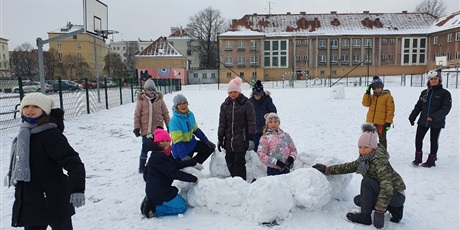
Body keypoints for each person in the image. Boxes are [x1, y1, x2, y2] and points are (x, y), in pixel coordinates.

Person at [6, 92, 86, 229]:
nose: (30, 110)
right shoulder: (24, 134)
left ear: (45, 111)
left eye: (36, 106)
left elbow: (74, 163)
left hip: (54, 199)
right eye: (26, 106)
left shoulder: (50, 136)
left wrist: (77, 189)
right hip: (30, 201)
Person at [312, 123, 406, 229]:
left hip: (396, 195)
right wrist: (327, 169)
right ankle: (395, 210)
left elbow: (387, 186)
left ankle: (365, 217)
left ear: (374, 147)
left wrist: (380, 210)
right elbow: (349, 167)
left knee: (367, 181)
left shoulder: (380, 161)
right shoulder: (365, 159)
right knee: (360, 200)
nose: (362, 150)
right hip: (387, 194)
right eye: (360, 147)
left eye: (366, 147)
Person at [141, 128, 198, 218]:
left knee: (178, 199)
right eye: (162, 141)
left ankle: (153, 200)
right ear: (157, 142)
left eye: (167, 140)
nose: (165, 143)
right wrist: (194, 178)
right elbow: (174, 173)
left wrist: (192, 162)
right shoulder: (158, 157)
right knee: (182, 208)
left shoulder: (165, 152)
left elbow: (176, 164)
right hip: (158, 191)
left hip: (162, 188)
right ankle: (154, 209)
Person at [409, 69, 452, 167]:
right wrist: (413, 116)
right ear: (428, 80)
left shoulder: (445, 93)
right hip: (423, 120)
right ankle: (418, 158)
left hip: (437, 121)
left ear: (439, 80)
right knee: (418, 138)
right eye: (431, 79)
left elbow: (446, 108)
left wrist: (434, 117)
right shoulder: (425, 92)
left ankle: (431, 160)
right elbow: (419, 106)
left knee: (433, 140)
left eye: (435, 79)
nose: (433, 81)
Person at [217, 77, 256, 181]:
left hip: (242, 139)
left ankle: (241, 183)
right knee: (229, 161)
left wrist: (250, 138)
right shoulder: (225, 105)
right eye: (230, 92)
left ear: (239, 91)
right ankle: (235, 182)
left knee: (239, 162)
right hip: (229, 140)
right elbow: (222, 123)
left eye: (235, 91)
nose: (233, 94)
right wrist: (220, 138)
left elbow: (251, 122)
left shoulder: (247, 104)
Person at [133, 79, 170, 173]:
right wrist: (136, 128)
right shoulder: (141, 100)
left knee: (159, 148)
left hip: (158, 131)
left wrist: (169, 125)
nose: (151, 92)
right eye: (148, 90)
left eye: (152, 90)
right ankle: (142, 167)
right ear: (145, 91)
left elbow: (165, 113)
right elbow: (137, 115)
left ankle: (157, 165)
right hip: (146, 130)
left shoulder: (159, 100)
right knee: (145, 149)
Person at [168, 94, 215, 167]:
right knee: (183, 169)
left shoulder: (190, 115)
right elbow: (178, 141)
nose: (183, 105)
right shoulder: (174, 121)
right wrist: (184, 156)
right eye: (180, 104)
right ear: (176, 106)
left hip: (191, 144)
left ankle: (194, 166)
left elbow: (195, 130)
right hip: (181, 150)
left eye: (184, 103)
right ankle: (190, 165)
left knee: (209, 148)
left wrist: (205, 140)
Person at [362, 76, 395, 150]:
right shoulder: (372, 96)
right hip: (371, 122)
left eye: (378, 87)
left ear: (382, 87)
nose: (376, 89)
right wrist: (367, 93)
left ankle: (383, 155)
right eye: (374, 88)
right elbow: (365, 104)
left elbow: (390, 110)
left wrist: (388, 122)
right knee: (370, 140)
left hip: (381, 123)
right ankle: (370, 154)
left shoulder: (388, 97)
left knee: (382, 140)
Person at [249, 80, 277, 152]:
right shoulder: (250, 101)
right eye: (255, 94)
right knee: (256, 145)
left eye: (258, 94)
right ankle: (257, 158)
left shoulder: (267, 100)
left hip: (265, 128)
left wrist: (269, 117)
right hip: (254, 128)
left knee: (266, 145)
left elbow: (273, 112)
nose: (257, 96)